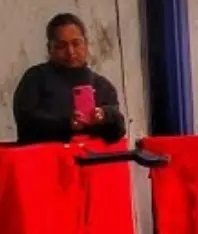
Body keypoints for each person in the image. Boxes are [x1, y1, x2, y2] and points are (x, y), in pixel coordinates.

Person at [13, 13, 126, 144]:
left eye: (76, 43)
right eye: (62, 46)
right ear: (50, 48)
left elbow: (118, 129)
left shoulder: (102, 85)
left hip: (90, 162)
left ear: (86, 44)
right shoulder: (35, 78)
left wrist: (104, 116)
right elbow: (26, 124)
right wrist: (66, 124)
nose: (71, 52)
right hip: (46, 160)